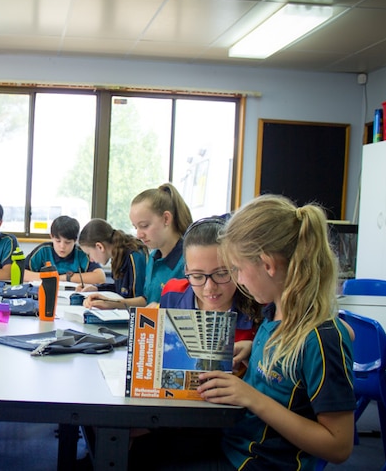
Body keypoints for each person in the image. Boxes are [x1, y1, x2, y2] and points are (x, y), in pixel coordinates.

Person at [131, 194, 356, 469]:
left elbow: (339, 445)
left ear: (267, 265)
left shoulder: (320, 337)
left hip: (257, 462)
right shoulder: (274, 316)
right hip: (233, 443)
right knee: (130, 449)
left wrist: (250, 396)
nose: (236, 280)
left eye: (235, 269)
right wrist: (254, 352)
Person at [85, 182, 191, 309]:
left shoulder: (189, 260)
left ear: (166, 219)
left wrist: (161, 309)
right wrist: (111, 303)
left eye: (144, 226)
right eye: (136, 227)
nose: (139, 235)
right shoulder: (153, 258)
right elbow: (146, 300)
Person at [159, 215, 262, 342]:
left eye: (221, 274)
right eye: (197, 276)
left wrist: (254, 352)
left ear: (237, 267)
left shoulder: (260, 302)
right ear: (187, 271)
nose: (210, 287)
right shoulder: (172, 294)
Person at [76, 218, 148, 299]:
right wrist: (97, 288)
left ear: (99, 247)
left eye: (89, 254)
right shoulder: (117, 255)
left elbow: (140, 300)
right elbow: (120, 289)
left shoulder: (135, 256)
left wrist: (110, 303)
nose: (91, 259)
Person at [23, 215, 105, 285]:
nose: (62, 246)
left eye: (68, 242)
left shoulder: (81, 253)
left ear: (75, 240)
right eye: (58, 241)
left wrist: (66, 277)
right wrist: (53, 278)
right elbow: (22, 273)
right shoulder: (43, 251)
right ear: (51, 237)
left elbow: (100, 277)